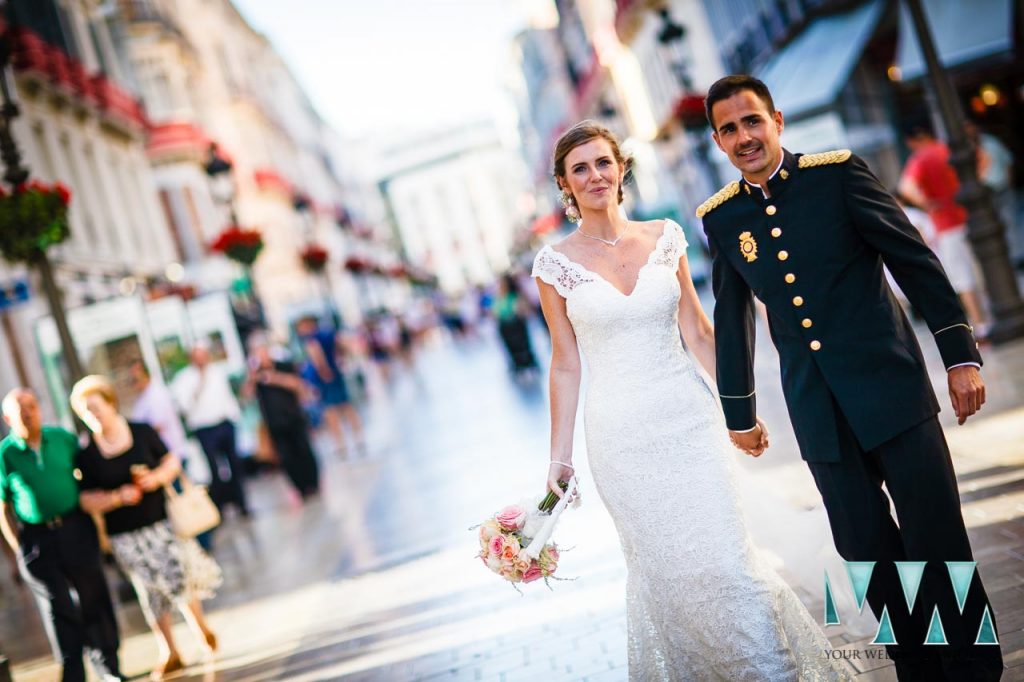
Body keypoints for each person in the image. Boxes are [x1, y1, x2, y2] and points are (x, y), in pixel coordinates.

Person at [700, 75, 1002, 680]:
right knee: (866, 549)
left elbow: (913, 259)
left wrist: (960, 356)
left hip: (890, 386)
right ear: (717, 139)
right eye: (730, 129)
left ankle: (972, 670)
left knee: (934, 537)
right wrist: (739, 412)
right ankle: (919, 668)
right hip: (818, 409)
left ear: (777, 120)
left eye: (752, 121)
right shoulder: (724, 218)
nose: (744, 136)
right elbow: (731, 319)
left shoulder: (837, 175)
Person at [531, 120, 845, 680]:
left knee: (729, 563)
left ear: (621, 168)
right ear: (565, 183)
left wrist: (739, 410)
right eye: (580, 168)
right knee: (672, 577)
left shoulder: (665, 236)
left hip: (689, 423)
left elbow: (699, 332)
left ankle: (774, 672)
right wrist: (559, 459)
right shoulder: (554, 265)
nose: (595, 175)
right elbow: (565, 362)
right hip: (621, 442)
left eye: (603, 162)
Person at [72, 376, 221, 681]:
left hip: (160, 522)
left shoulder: (141, 432)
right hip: (123, 535)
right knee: (149, 589)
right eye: (86, 412)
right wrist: (116, 497)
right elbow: (85, 499)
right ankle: (169, 650)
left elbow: (172, 463)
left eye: (96, 408)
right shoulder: (86, 453)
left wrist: (154, 479)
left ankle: (200, 630)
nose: (93, 416)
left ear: (110, 404)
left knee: (177, 576)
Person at [0, 388, 122, 682]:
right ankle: (74, 674)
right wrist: (18, 551)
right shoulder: (6, 454)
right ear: (7, 417)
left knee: (94, 596)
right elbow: (3, 508)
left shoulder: (62, 438)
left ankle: (108, 667)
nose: (28, 412)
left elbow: (90, 477)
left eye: (32, 405)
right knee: (60, 607)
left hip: (75, 527)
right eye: (20, 408)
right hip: (37, 538)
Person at [899, 122, 988, 338]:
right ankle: (992, 315)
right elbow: (985, 159)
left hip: (947, 225)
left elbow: (906, 188)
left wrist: (927, 203)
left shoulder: (919, 159)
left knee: (962, 277)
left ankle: (981, 325)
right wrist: (974, 182)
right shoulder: (948, 148)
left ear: (911, 141)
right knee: (985, 268)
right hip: (974, 215)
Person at [130, 362, 213, 550]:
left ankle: (201, 539)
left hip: (171, 457)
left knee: (184, 500)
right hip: (162, 459)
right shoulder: (144, 399)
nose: (134, 384)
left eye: (136, 379)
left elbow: (155, 428)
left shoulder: (156, 396)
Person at [170, 344, 250, 517]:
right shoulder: (184, 379)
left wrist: (233, 417)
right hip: (205, 429)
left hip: (224, 423)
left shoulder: (217, 372)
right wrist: (200, 382)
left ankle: (241, 503)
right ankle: (219, 507)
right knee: (214, 468)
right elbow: (185, 407)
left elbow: (226, 397)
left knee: (234, 464)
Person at [242, 336, 320, 499]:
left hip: (293, 416)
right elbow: (246, 397)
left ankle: (313, 482)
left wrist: (274, 378)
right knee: (286, 457)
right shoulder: (255, 375)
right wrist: (252, 377)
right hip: (274, 422)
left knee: (303, 450)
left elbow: (298, 384)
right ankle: (300, 487)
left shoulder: (283, 366)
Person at [295, 316, 365, 456]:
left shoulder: (311, 339)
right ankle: (358, 438)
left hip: (324, 378)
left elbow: (316, 356)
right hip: (335, 373)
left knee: (330, 412)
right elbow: (343, 345)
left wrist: (323, 370)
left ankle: (340, 444)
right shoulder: (328, 334)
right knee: (346, 406)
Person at [966, 120, 1019, 266]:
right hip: (986, 191)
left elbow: (1007, 161)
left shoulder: (990, 143)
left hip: (1000, 186)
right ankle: (1005, 256)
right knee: (994, 224)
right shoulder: (970, 147)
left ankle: (1014, 255)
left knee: (1008, 220)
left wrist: (1009, 180)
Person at [493, 273, 539, 375]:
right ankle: (518, 365)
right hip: (505, 327)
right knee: (511, 347)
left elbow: (522, 310)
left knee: (522, 345)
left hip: (516, 325)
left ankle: (528, 363)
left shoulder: (515, 295)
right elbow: (495, 312)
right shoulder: (498, 297)